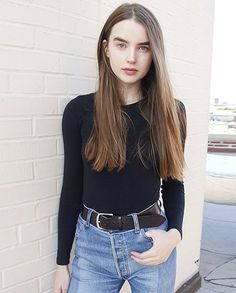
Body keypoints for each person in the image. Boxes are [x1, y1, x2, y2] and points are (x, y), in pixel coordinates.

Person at [54, 2, 187, 293]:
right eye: (121, 44)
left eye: (143, 47)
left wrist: (174, 235)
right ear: (106, 48)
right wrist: (62, 263)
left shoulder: (172, 112)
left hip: (152, 244)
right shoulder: (79, 111)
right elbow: (72, 188)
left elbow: (174, 183)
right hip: (92, 250)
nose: (131, 57)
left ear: (155, 53)